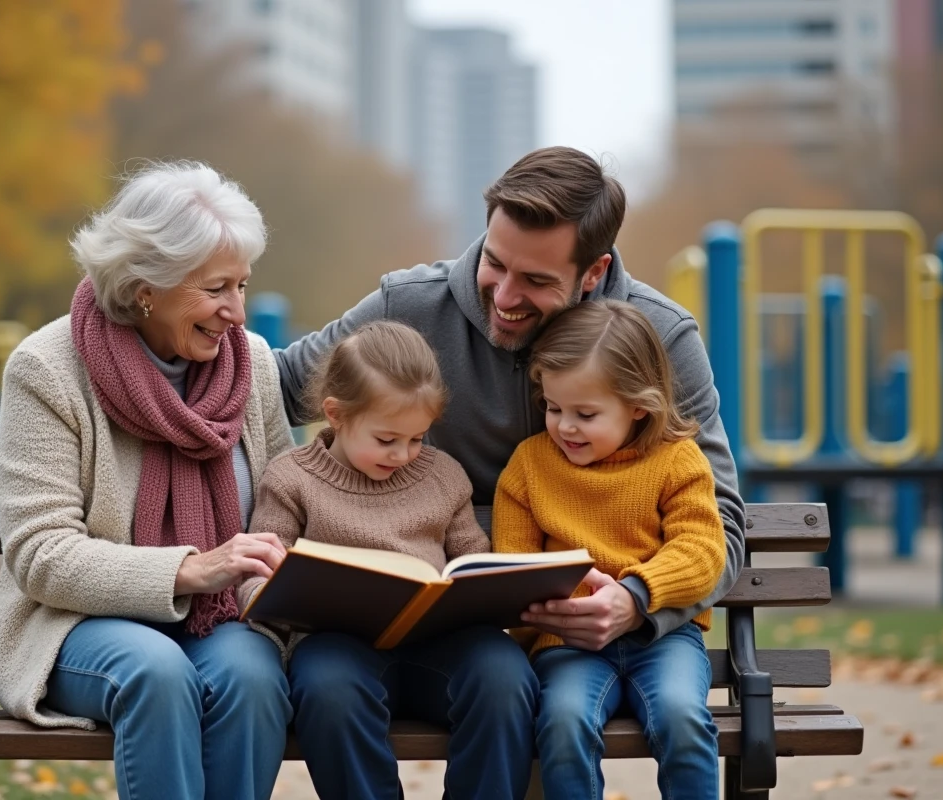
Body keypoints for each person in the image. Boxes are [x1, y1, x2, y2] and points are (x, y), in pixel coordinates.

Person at [274, 145, 745, 655]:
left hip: (593, 648)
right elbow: (276, 384)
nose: (502, 297)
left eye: (537, 281)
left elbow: (720, 523)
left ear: (593, 272)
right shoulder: (409, 306)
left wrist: (635, 606)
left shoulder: (661, 337)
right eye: (493, 262)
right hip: (427, 632)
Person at [0, 161, 296, 799]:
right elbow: (40, 553)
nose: (237, 312)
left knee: (254, 676)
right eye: (217, 289)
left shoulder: (255, 367)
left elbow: (279, 507)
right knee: (155, 671)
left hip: (221, 621)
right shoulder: (47, 371)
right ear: (146, 286)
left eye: (242, 285)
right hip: (74, 624)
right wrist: (189, 570)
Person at [241, 320, 538, 800]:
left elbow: (473, 559)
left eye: (418, 438)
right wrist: (269, 591)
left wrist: (486, 586)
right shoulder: (291, 479)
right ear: (336, 415)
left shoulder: (442, 476)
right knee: (327, 687)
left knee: (504, 675)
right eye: (386, 440)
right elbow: (258, 570)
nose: (404, 454)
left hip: (439, 646)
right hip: (338, 648)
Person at [493, 299, 726, 799]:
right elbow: (513, 560)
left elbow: (703, 547)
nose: (565, 427)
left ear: (638, 405)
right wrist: (545, 604)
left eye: (585, 413)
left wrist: (637, 591)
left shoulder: (677, 460)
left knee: (683, 718)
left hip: (664, 638)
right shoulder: (530, 466)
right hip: (566, 645)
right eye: (553, 408)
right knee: (563, 722)